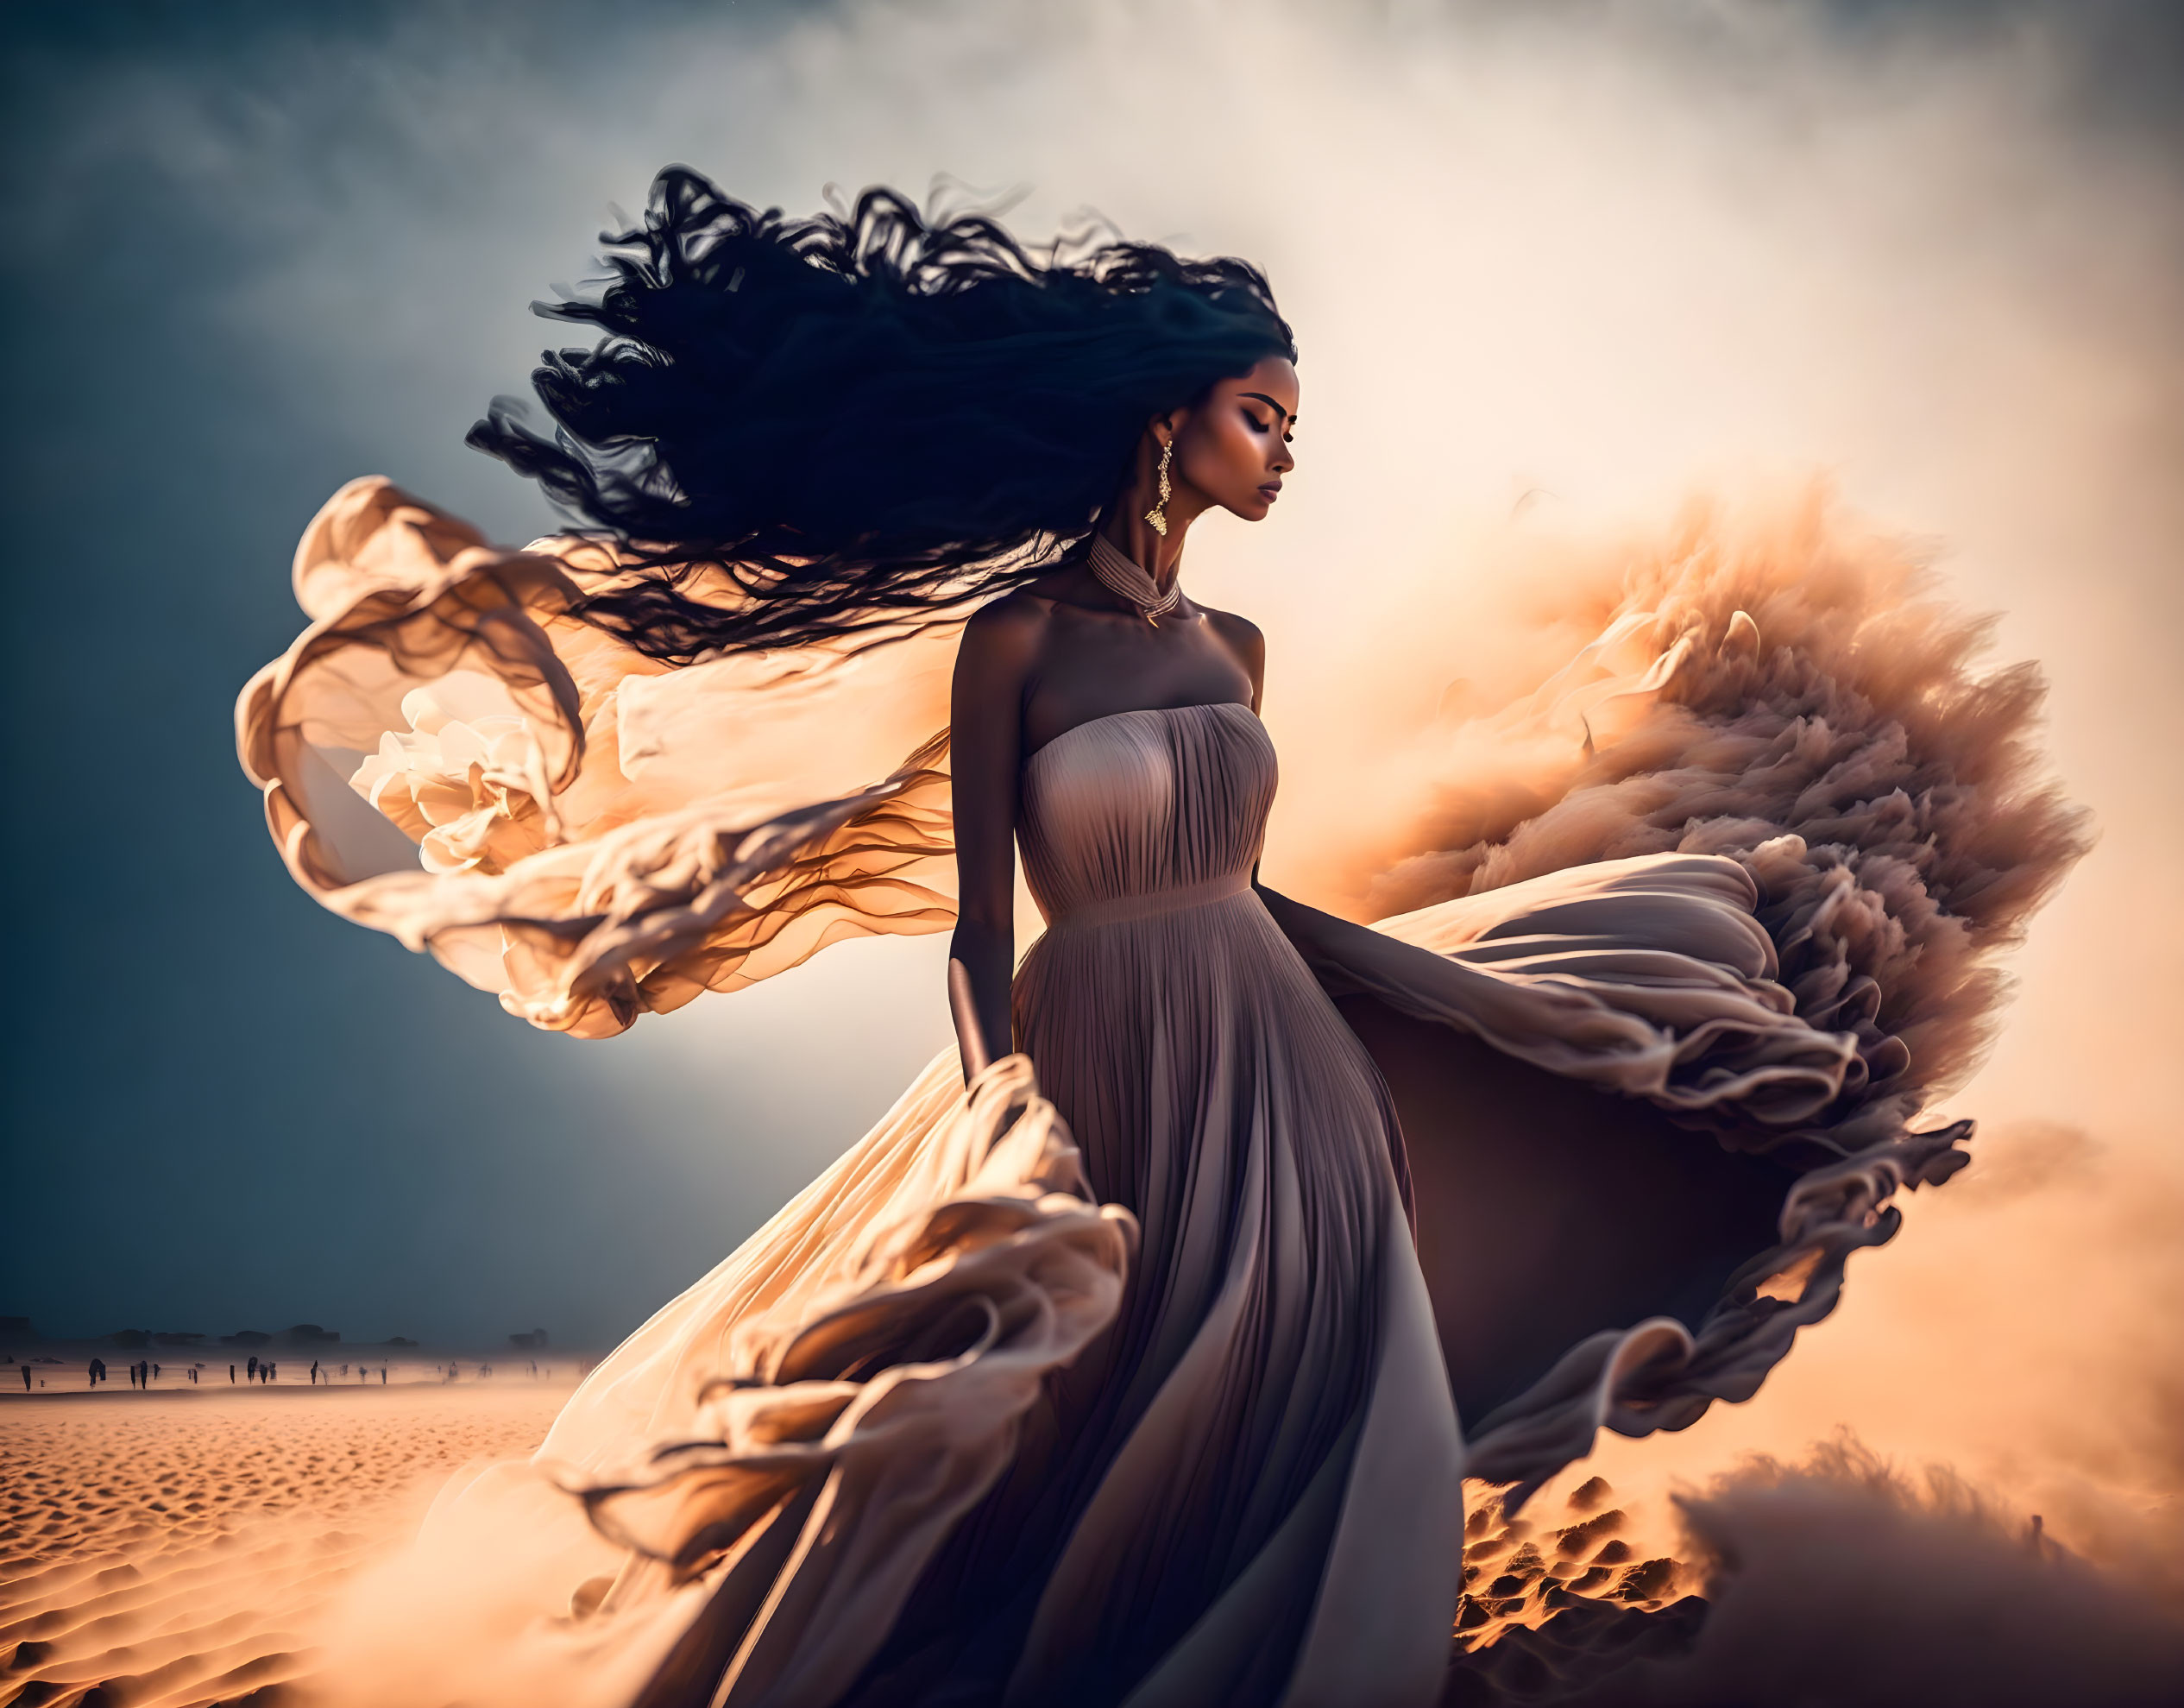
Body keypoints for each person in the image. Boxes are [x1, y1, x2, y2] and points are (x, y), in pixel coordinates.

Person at [236, 173, 2086, 1706]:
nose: (1283, 453)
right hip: (1095, 1041)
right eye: (1260, 415)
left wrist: (1424, 996)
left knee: (1297, 1376)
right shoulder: (1019, 646)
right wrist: (998, 1129)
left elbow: (1250, 883)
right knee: (1087, 1392)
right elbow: (977, 926)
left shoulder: (1236, 657)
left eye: (1294, 425)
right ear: (1167, 419)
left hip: (1280, 1041)